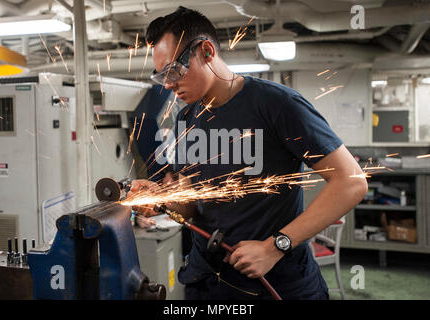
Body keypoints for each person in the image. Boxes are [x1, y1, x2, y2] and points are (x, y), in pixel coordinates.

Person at [128, 6, 368, 300]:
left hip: (277, 284)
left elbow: (352, 181)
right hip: (208, 283)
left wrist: (275, 246)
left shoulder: (277, 105)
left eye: (174, 70)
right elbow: (191, 200)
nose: (168, 83)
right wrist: (161, 200)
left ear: (206, 51)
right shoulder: (186, 118)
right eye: (161, 75)